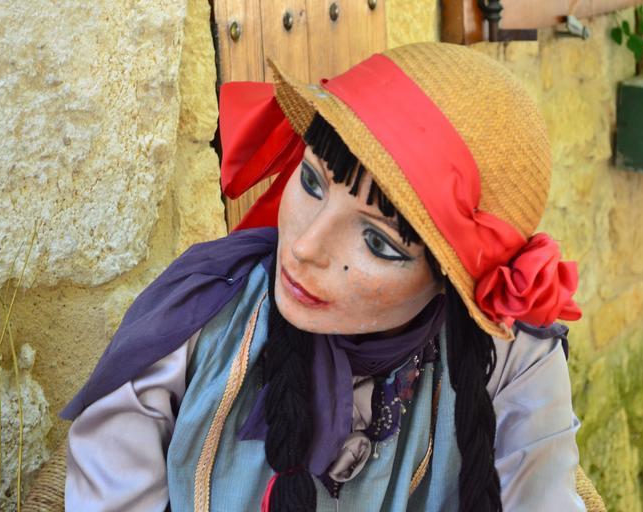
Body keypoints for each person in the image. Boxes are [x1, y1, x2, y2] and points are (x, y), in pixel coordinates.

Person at [62, 42, 585, 511]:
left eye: (377, 241)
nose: (304, 247)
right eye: (312, 182)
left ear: (448, 283)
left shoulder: (513, 361)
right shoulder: (193, 323)